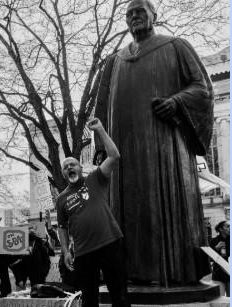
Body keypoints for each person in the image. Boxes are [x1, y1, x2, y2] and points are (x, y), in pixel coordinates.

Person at [94, 0, 214, 287]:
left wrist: (176, 102)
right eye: (129, 14)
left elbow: (202, 88)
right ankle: (131, 274)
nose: (134, 17)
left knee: (163, 208)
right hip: (124, 155)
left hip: (164, 149)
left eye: (140, 12)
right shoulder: (114, 61)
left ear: (154, 16)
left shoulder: (175, 46)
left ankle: (174, 273)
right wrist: (101, 148)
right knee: (127, 212)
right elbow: (100, 109)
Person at [56, 118, 130, 307]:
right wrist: (65, 251)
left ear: (81, 168)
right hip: (83, 253)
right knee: (89, 300)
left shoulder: (95, 178)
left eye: (73, 164)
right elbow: (62, 227)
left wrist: (100, 130)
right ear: (64, 174)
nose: (69, 167)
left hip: (111, 243)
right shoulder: (61, 199)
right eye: (65, 167)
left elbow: (114, 156)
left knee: (119, 296)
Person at [210, 221, 230, 296]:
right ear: (221, 229)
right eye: (227, 227)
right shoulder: (214, 241)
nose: (229, 228)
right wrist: (216, 248)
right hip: (218, 273)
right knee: (219, 299)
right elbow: (211, 258)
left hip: (230, 271)